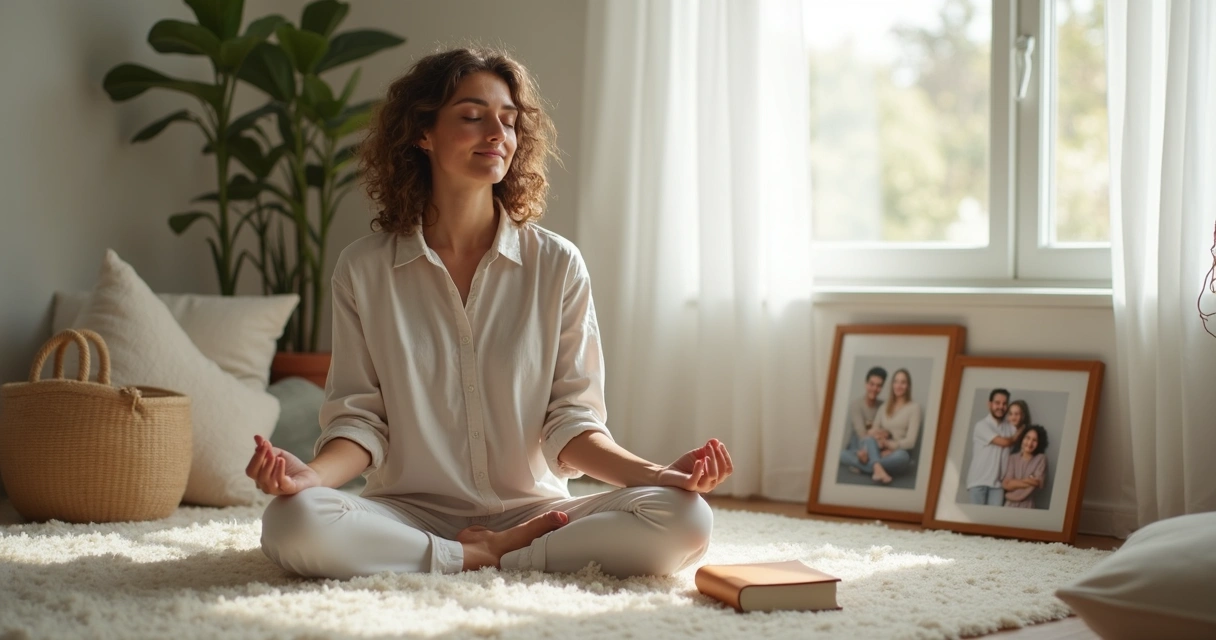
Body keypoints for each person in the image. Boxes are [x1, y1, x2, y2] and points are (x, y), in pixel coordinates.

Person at [244, 48, 732, 580]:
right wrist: (308, 479)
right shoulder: (363, 269)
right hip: (408, 513)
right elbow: (360, 421)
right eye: (473, 117)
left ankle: (502, 550)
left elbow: (572, 422)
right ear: (422, 133)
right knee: (291, 523)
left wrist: (660, 475)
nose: (497, 132)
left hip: (537, 512)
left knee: (686, 518)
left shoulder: (557, 264)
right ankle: (480, 557)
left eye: (508, 119)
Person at [840, 369, 921, 485]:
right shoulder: (884, 406)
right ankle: (878, 468)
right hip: (879, 450)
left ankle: (867, 465)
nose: (899, 386)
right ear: (892, 384)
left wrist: (891, 445)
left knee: (903, 457)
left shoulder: (914, 408)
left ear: (908, 386)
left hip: (895, 452)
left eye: (903, 382)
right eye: (896, 382)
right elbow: (872, 432)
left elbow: (911, 442)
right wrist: (879, 440)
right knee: (843, 453)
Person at [963, 389, 1025, 505]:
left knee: (992, 521)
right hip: (978, 483)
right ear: (989, 404)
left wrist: (1021, 426)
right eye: (997, 403)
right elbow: (1005, 442)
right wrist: (1019, 432)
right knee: (976, 521)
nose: (1001, 407)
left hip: (998, 486)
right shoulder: (981, 425)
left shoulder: (1010, 427)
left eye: (1004, 403)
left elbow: (1020, 428)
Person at [841, 366, 886, 453]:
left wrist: (879, 434)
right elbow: (862, 434)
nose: (874, 389)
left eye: (878, 386)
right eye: (871, 384)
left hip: (876, 448)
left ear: (882, 388)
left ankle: (873, 463)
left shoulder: (883, 406)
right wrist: (878, 433)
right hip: (857, 447)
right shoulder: (856, 405)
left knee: (901, 456)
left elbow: (886, 432)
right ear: (866, 384)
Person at [1002, 424, 1049, 508]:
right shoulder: (1012, 458)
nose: (1030, 443)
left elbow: (1038, 483)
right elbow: (1007, 485)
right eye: (1027, 438)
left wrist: (1014, 482)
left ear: (1039, 443)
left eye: (1035, 440)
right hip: (1009, 505)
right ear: (1022, 438)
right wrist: (1029, 479)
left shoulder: (1041, 459)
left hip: (1028, 506)